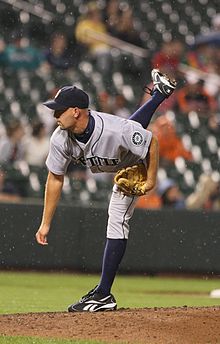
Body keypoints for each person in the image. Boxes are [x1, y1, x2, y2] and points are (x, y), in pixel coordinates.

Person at [35, 69, 176, 312]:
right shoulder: (60, 138)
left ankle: (103, 294)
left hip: (134, 164)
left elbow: (151, 142)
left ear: (75, 111)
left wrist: (151, 182)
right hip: (121, 151)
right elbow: (55, 178)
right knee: (131, 131)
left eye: (59, 110)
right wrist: (45, 223)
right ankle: (158, 96)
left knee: (117, 220)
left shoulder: (112, 129)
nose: (54, 115)